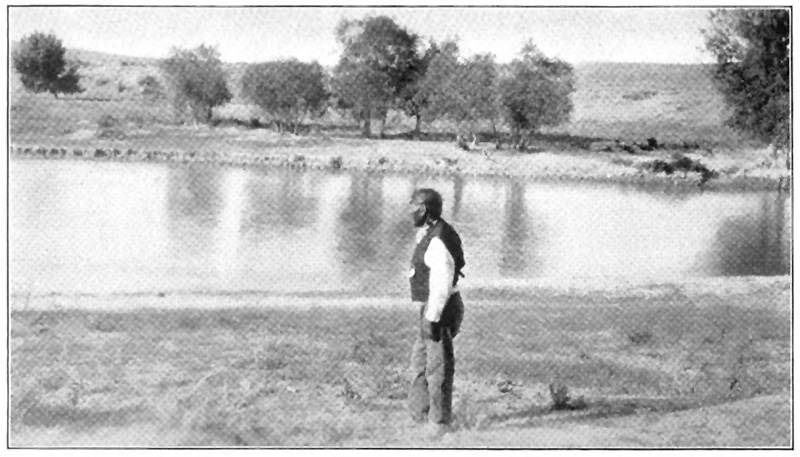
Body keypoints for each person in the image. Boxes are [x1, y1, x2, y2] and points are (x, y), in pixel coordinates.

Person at [406, 188, 465, 440]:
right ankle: (420, 417)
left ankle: (439, 424)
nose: (411, 212)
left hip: (439, 309)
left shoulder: (438, 239)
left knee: (437, 367)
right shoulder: (430, 232)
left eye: (414, 207)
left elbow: (441, 283)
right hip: (431, 307)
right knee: (420, 363)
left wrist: (432, 316)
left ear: (425, 210)